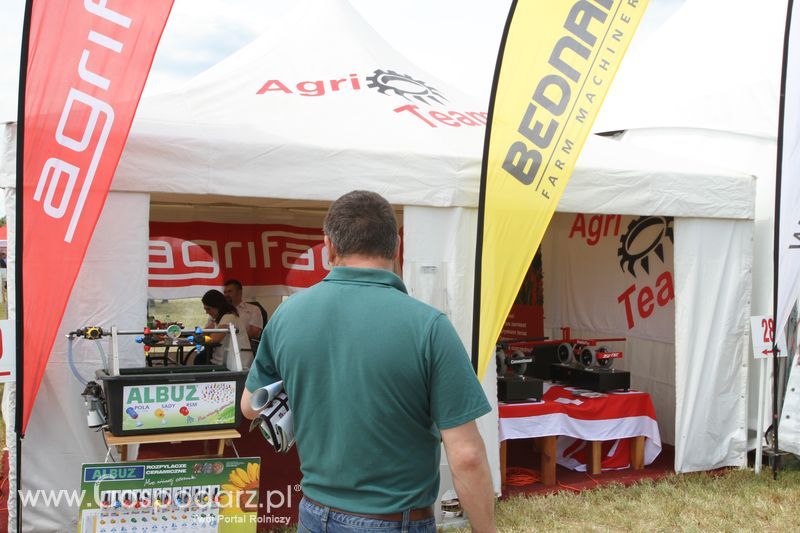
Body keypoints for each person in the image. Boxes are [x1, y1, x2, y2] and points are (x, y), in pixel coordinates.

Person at [241, 190, 496, 532]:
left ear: (329, 247)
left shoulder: (287, 315)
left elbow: (250, 407)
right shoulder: (429, 326)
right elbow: (466, 455)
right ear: (396, 247)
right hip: (394, 520)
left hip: (314, 514)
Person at [200, 289, 253, 369]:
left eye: (208, 309)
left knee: (199, 361)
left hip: (237, 363)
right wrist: (200, 336)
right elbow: (205, 332)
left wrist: (200, 338)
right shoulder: (220, 319)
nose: (207, 312)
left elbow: (214, 339)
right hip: (228, 361)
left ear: (217, 306)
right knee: (199, 359)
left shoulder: (228, 317)